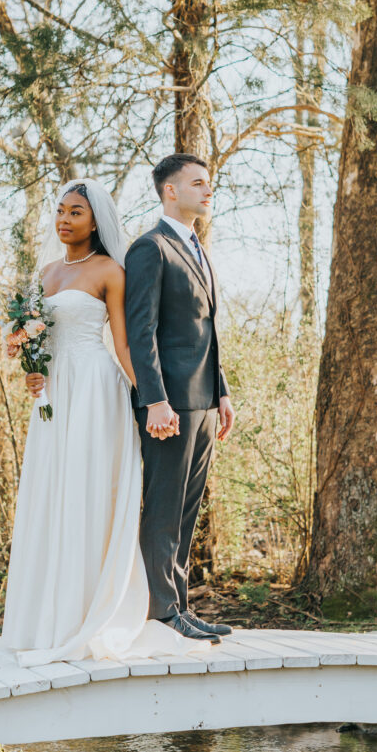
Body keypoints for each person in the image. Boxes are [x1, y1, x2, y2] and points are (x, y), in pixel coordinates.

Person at [1, 179, 178, 665]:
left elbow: (124, 344)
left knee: (87, 493)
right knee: (51, 495)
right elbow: (37, 344)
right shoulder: (46, 272)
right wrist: (33, 373)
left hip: (96, 392)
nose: (64, 219)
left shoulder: (109, 271)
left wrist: (153, 401)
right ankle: (49, 619)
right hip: (56, 397)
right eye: (60, 211)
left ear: (95, 220)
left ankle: (89, 615)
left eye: (75, 212)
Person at [124, 153, 235, 642]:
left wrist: (222, 392)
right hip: (168, 405)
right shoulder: (151, 249)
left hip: (205, 403)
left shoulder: (197, 248)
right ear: (170, 191)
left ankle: (180, 607)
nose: (207, 191)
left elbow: (205, 331)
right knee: (164, 507)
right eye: (197, 183)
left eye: (208, 184)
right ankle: (161, 613)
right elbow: (141, 331)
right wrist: (155, 400)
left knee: (187, 510)